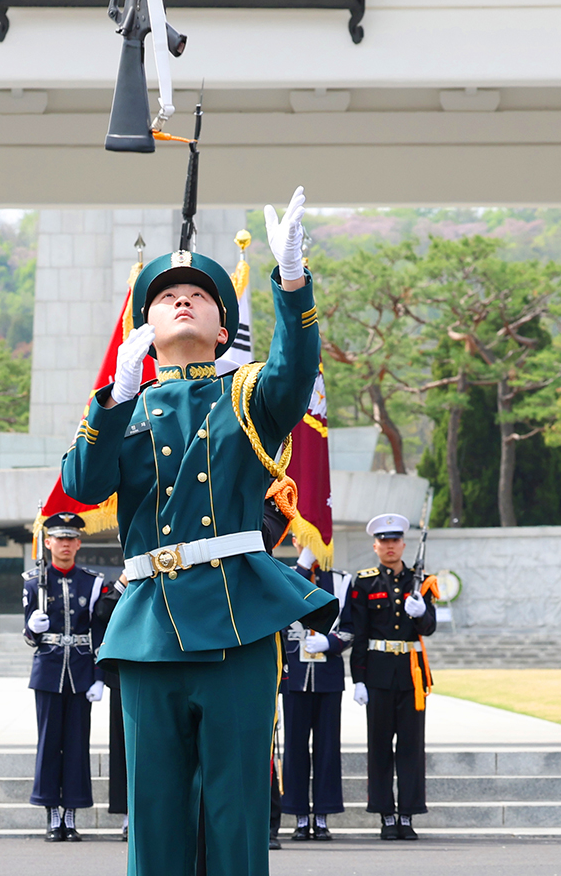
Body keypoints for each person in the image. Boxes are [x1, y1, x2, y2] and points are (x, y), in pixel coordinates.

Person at [62, 188, 338, 876]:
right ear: (145, 327)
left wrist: (293, 282)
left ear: (222, 330)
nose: (182, 300)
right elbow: (83, 484)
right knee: (154, 814)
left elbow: (294, 373)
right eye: (166, 297)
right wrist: (114, 398)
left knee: (236, 810)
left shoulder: (245, 394)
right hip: (150, 626)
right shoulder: (124, 407)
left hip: (236, 620)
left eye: (198, 296)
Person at [349, 512, 437, 841]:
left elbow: (429, 628)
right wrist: (358, 679)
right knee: (380, 746)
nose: (390, 546)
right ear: (375, 546)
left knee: (412, 747)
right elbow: (359, 633)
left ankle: (408, 814)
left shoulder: (420, 581)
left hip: (411, 674)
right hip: (378, 673)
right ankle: (386, 814)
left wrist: (422, 612)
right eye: (384, 541)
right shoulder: (365, 582)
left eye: (395, 540)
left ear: (403, 545)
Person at [23, 512, 105, 841]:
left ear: (79, 543)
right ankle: (51, 813)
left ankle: (70, 814)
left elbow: (99, 632)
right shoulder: (33, 581)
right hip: (48, 670)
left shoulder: (92, 582)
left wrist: (99, 676)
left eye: (71, 539)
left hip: (81, 671)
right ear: (48, 542)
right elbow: (29, 638)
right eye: (59, 538)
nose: (65, 544)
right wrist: (33, 627)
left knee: (76, 744)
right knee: (49, 743)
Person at [280, 540, 353, 841]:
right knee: (295, 748)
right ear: (296, 541)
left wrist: (331, 642)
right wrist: (301, 568)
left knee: (327, 748)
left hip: (327, 675)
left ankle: (322, 815)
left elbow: (351, 627)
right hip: (295, 676)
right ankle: (299, 815)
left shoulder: (341, 580)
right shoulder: (286, 576)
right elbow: (280, 613)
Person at [92, 572, 130, 840]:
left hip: (161, 670)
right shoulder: (119, 583)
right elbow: (102, 612)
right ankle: (128, 814)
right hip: (122, 674)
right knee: (123, 747)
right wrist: (124, 581)